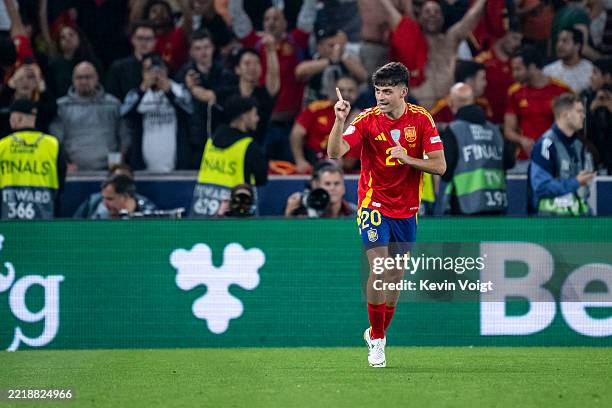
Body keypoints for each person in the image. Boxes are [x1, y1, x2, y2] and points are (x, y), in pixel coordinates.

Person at [327, 62, 446, 367]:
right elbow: (335, 152)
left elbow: (439, 166)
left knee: (394, 279)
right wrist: (339, 120)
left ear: (403, 92)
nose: (381, 97)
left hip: (406, 211)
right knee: (379, 270)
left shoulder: (421, 120)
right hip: (372, 204)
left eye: (388, 91)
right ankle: (378, 342)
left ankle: (376, 332)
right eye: (378, 90)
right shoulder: (366, 120)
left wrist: (409, 158)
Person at [379, 0, 487, 109]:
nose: (432, 15)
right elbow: (390, 12)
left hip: (446, 109)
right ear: (419, 17)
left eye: (436, 12)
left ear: (443, 17)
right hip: (416, 108)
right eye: (427, 11)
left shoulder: (450, 40)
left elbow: (471, 18)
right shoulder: (410, 39)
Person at [441, 83, 515, 215]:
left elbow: (445, 171)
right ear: (473, 100)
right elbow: (510, 162)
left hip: (465, 207)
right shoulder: (495, 130)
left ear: (451, 103)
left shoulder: (454, 130)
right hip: (496, 205)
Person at [190, 95, 267, 217]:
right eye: (254, 114)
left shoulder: (210, 142)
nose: (257, 119)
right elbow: (262, 179)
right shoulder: (248, 146)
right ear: (244, 116)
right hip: (235, 215)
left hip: (202, 213)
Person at [121, 52, 193, 171]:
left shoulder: (179, 90)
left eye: (158, 69)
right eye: (149, 70)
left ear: (165, 70)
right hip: (143, 164)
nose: (154, 74)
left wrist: (169, 92)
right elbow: (125, 113)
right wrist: (142, 91)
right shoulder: (136, 93)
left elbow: (189, 111)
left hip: (176, 163)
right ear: (143, 73)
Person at [50, 62, 129, 172]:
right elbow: (55, 141)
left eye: (88, 77)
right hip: (73, 172)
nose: (84, 81)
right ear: (73, 79)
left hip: (108, 171)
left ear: (96, 78)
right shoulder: (61, 107)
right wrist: (64, 164)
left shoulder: (113, 104)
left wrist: (119, 163)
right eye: (79, 78)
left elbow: (124, 136)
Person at [504, 45, 572, 171]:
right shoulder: (514, 93)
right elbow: (508, 130)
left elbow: (573, 127)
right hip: (524, 160)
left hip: (555, 158)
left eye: (518, 69)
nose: (514, 74)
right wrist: (522, 140)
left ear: (532, 67)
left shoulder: (561, 90)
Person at [529, 93, 595, 216]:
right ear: (565, 115)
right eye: (579, 111)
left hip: (576, 225)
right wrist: (575, 182)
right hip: (551, 226)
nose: (583, 116)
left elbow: (582, 195)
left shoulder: (578, 145)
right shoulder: (546, 145)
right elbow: (541, 187)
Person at [0, 99, 66, 219]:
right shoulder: (53, 144)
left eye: (11, 116)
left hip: (7, 218)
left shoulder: (2, 145)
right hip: (45, 216)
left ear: (18, 118)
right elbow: (61, 181)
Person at [175, 29, 229, 167]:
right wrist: (186, 87)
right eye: (198, 48)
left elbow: (222, 98)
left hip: (219, 137)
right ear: (191, 52)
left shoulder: (225, 74)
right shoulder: (182, 75)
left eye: (206, 47)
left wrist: (194, 89)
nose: (203, 52)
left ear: (213, 48)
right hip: (191, 140)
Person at [290, 75, 360, 174]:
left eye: (350, 90)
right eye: (342, 90)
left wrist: (340, 164)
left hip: (341, 171)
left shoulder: (361, 118)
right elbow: (297, 133)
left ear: (357, 93)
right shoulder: (317, 108)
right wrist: (300, 161)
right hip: (312, 164)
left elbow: (349, 162)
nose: (345, 94)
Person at [217, 47, 279, 147]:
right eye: (247, 63)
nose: (252, 67)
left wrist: (271, 49)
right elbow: (207, 95)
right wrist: (192, 87)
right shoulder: (226, 94)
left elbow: (274, 74)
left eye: (256, 63)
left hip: (257, 149)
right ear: (237, 69)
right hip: (228, 149)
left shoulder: (265, 94)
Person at [295, 28, 367, 105]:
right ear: (320, 47)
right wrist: (330, 61)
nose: (336, 49)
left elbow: (364, 76)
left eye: (338, 45)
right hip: (317, 107)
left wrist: (343, 57)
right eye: (331, 45)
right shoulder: (316, 60)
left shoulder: (346, 59)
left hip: (344, 107)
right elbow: (299, 71)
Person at [475, 24, 523, 124]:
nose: (517, 44)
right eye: (514, 38)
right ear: (502, 35)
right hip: (487, 122)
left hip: (514, 123)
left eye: (520, 40)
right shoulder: (481, 62)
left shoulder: (519, 64)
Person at [73, 164, 157, 219]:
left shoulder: (147, 210)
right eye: (104, 198)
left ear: (125, 197)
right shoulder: (92, 203)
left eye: (110, 199)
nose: (104, 203)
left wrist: (128, 216)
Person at [130, 0, 193, 72]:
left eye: (163, 10)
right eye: (154, 11)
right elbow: (134, 18)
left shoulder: (178, 33)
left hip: (178, 78)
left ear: (170, 15)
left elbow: (188, 17)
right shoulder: (144, 36)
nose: (159, 14)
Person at [430, 60, 493, 131]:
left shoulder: (482, 105)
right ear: (469, 81)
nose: (485, 83)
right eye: (482, 79)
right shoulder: (444, 107)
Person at [105, 21, 157, 102]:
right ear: (132, 40)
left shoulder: (164, 66)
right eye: (140, 38)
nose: (144, 43)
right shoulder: (118, 68)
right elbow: (112, 98)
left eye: (148, 39)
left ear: (155, 41)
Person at [284, 162, 357, 218]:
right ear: (318, 187)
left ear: (343, 188)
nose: (332, 188)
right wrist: (288, 214)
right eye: (327, 184)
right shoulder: (305, 212)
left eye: (337, 183)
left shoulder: (355, 212)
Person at [543, 28, 594, 93]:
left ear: (577, 46)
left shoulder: (590, 70)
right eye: (558, 41)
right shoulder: (548, 71)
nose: (559, 45)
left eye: (565, 41)